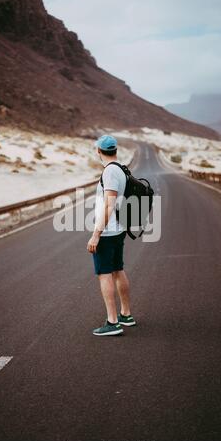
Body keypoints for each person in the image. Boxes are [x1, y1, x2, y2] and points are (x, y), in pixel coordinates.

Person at [87, 135, 136, 336]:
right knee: (118, 269)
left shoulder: (109, 172)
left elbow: (109, 204)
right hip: (119, 228)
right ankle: (126, 314)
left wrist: (96, 234)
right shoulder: (121, 169)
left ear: (99, 151)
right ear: (115, 150)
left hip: (107, 231)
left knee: (105, 274)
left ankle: (112, 321)